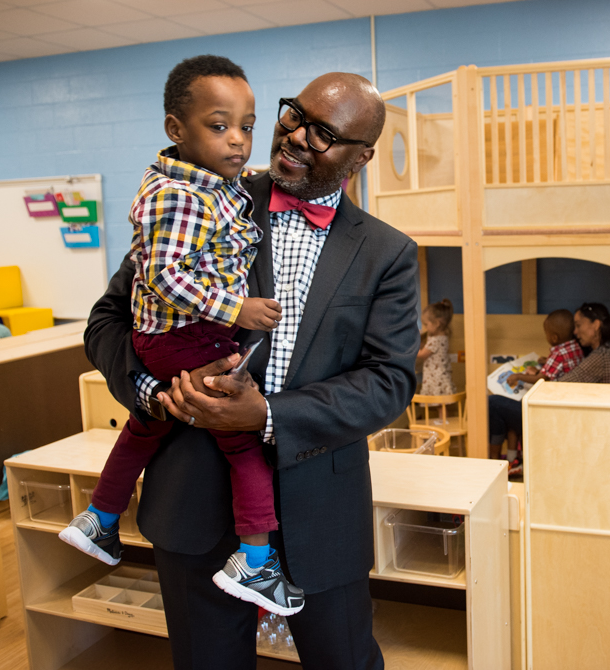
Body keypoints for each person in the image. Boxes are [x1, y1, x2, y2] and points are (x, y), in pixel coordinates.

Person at [84, 71, 419, 670]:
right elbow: (108, 320)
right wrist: (152, 391)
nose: (294, 137)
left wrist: (267, 415)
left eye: (323, 134)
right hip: (195, 502)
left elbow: (389, 380)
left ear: (361, 157)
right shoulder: (199, 199)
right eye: (294, 115)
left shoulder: (387, 253)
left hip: (320, 509)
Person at [59, 54, 303, 617]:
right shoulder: (181, 195)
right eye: (220, 127)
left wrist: (155, 398)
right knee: (242, 442)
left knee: (143, 430)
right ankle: (256, 559)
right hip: (188, 341)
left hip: (176, 343)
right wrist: (236, 308)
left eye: (247, 125)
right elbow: (154, 283)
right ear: (177, 129)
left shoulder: (216, 189)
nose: (239, 141)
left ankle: (98, 517)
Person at [488, 303, 610, 472]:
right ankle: (507, 460)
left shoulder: (600, 357)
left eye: (579, 325)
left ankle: (494, 461)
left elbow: (556, 387)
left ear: (595, 325)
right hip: (578, 416)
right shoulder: (605, 351)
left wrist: (534, 376)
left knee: (493, 403)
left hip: (565, 420)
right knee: (502, 407)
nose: (575, 332)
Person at [417, 298, 456, 395]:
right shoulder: (443, 337)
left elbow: (422, 354)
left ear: (437, 323)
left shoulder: (435, 340)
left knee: (440, 403)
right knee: (441, 405)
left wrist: (412, 347)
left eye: (426, 324)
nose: (425, 327)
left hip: (436, 377)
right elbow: (427, 348)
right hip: (440, 375)